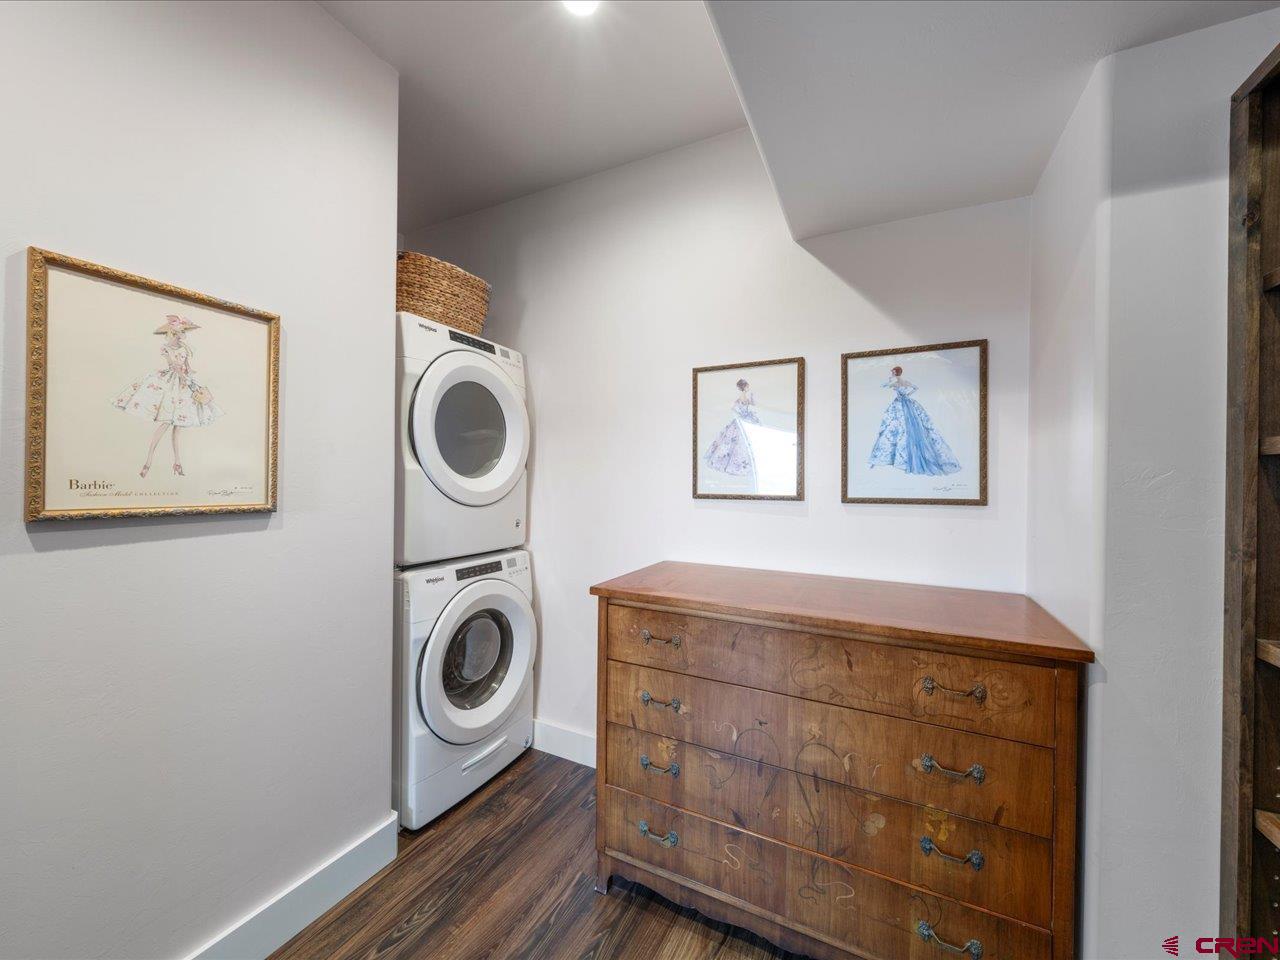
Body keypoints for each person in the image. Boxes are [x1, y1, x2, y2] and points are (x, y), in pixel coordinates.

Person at [112, 314, 222, 478]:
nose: (181, 335)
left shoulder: (185, 347)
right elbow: (174, 366)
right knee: (165, 423)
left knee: (178, 425)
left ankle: (177, 463)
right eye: (178, 332)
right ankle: (148, 461)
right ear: (172, 332)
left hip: (184, 383)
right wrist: (185, 378)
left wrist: (192, 380)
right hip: (171, 382)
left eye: (182, 332)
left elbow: (186, 366)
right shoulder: (166, 348)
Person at [867, 365, 960, 476]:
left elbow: (883, 386)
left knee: (897, 427)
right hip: (909, 403)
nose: (891, 373)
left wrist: (889, 380)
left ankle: (898, 458)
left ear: (895, 373)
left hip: (900, 405)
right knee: (910, 427)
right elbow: (916, 388)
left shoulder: (895, 383)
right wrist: (908, 395)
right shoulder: (906, 382)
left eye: (892, 372)